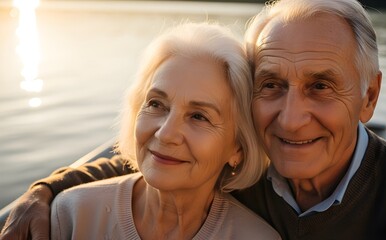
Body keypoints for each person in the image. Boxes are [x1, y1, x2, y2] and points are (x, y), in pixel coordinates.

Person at [1, 0, 386, 239]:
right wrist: (44, 191)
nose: (289, 120)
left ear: (370, 97)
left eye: (320, 86)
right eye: (271, 85)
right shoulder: (244, 170)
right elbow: (150, 158)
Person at [15, 22, 282, 240]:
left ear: (237, 147)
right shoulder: (71, 216)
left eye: (199, 116)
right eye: (156, 104)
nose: (165, 134)